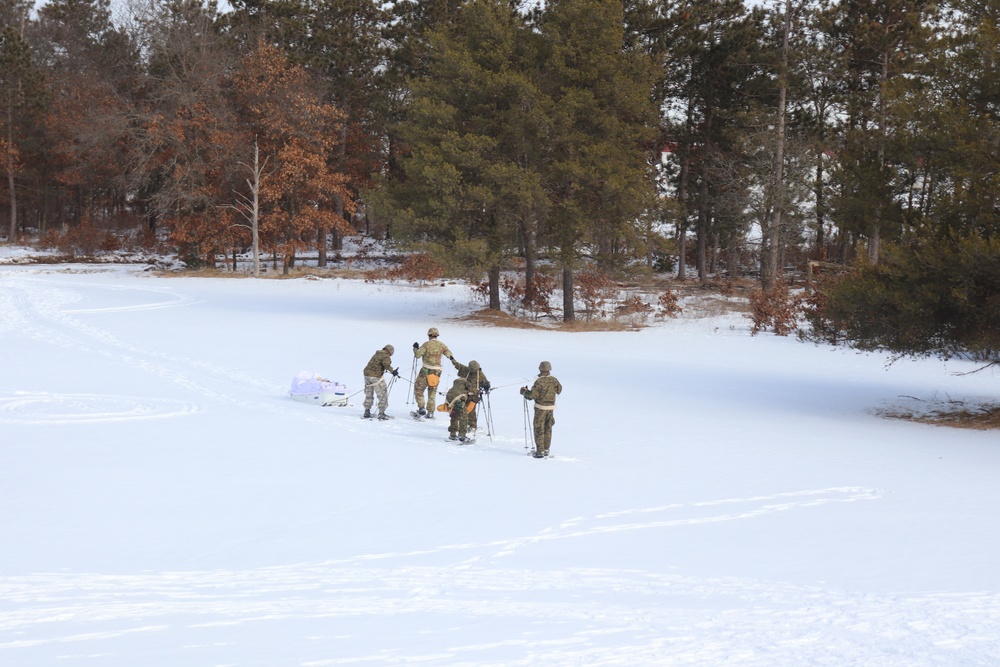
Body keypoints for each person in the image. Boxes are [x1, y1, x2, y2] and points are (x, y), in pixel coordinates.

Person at [520, 361, 562, 458]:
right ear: (549, 369)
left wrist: (524, 393)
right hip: (551, 409)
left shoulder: (539, 381)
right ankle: (546, 449)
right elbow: (559, 390)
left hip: (540, 409)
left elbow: (532, 396)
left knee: (539, 429)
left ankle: (539, 452)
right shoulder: (554, 380)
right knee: (548, 428)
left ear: (540, 369)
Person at [412, 327, 452, 418]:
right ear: (437, 335)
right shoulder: (442, 345)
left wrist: (415, 348)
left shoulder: (426, 344)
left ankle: (421, 408)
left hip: (425, 371)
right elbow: (449, 355)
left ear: (429, 335)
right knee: (432, 392)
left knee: (419, 389)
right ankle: (430, 412)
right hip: (437, 372)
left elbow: (418, 355)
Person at [451, 357, 490, 435]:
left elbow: (485, 382)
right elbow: (458, 366)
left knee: (471, 410)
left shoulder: (480, 374)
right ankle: (460, 425)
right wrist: (452, 360)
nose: (473, 372)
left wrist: (487, 385)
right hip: (463, 393)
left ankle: (472, 426)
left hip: (473, 395)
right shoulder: (466, 370)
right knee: (460, 409)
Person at [362, 344, 398, 420]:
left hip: (367, 375)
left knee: (369, 393)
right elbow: (387, 365)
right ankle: (381, 413)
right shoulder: (385, 355)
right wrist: (393, 371)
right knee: (382, 393)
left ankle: (367, 411)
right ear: (390, 351)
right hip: (375, 377)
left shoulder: (377, 353)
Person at [444, 378, 472, 443]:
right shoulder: (464, 386)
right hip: (458, 400)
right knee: (463, 417)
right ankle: (462, 436)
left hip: (449, 400)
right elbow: (471, 390)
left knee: (454, 415)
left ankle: (452, 435)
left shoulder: (452, 388)